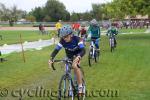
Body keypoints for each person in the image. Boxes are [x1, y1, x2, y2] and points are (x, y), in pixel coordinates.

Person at [48, 25, 86, 95]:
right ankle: (70, 85)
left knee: (75, 66)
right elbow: (56, 50)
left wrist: (78, 57)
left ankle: (80, 86)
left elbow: (83, 50)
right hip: (69, 57)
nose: (64, 38)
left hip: (77, 55)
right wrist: (51, 59)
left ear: (71, 34)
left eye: (66, 36)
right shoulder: (62, 41)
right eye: (63, 37)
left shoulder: (78, 39)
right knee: (66, 69)